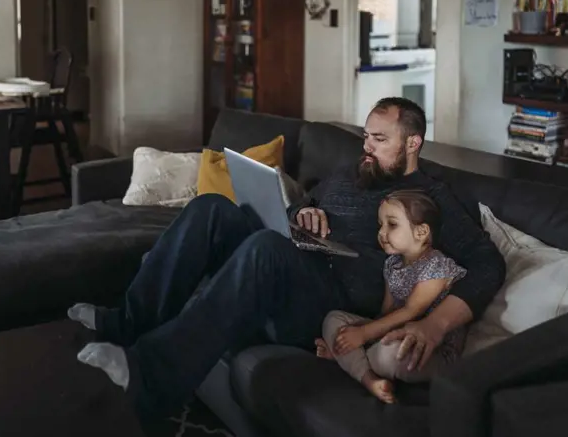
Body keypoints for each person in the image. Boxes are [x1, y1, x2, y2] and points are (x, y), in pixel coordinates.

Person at [67, 97, 506, 433]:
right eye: (366, 135)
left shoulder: (434, 198)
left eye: (379, 139)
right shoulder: (353, 173)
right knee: (213, 208)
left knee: (266, 249)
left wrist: (434, 326)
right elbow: (306, 203)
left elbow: (487, 265)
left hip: (335, 304)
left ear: (413, 144)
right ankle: (125, 322)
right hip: (302, 265)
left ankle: (151, 377)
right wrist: (303, 215)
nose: (366, 147)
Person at [316, 189, 468, 404]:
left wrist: (363, 334)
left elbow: (410, 312)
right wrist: (360, 332)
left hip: (431, 350)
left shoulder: (437, 266)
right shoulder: (392, 264)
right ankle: (369, 380)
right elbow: (387, 312)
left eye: (392, 224)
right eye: (381, 224)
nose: (382, 232)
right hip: (395, 333)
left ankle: (348, 360)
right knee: (334, 319)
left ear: (421, 232)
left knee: (388, 355)